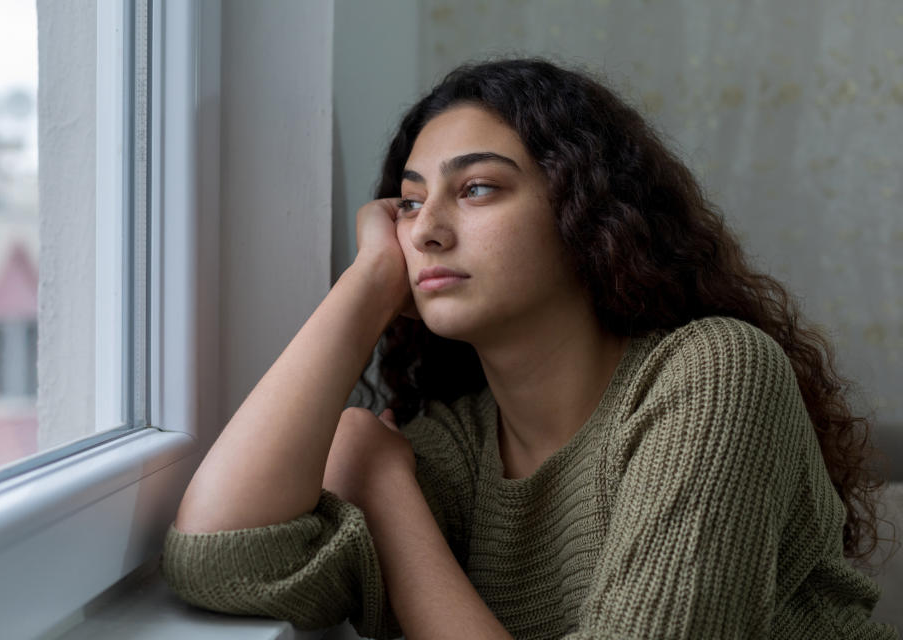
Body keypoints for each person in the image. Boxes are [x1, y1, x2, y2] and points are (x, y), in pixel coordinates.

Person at [161, 59, 896, 639]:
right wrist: (369, 281)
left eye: (477, 189)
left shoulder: (714, 374)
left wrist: (386, 494)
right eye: (410, 203)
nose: (425, 230)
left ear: (587, 211)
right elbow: (220, 558)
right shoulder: (459, 443)